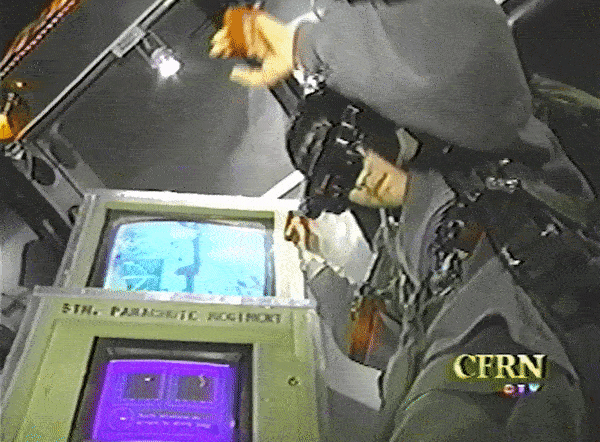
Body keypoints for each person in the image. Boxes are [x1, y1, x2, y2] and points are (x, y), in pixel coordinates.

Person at [209, 1, 600, 440]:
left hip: (530, 363)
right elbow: (373, 341)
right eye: (339, 182)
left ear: (379, 126)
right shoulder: (396, 248)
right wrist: (317, 265)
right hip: (488, 380)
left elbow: (451, 58)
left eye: (352, 155)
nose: (360, 180)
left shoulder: (479, 142)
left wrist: (303, 45)